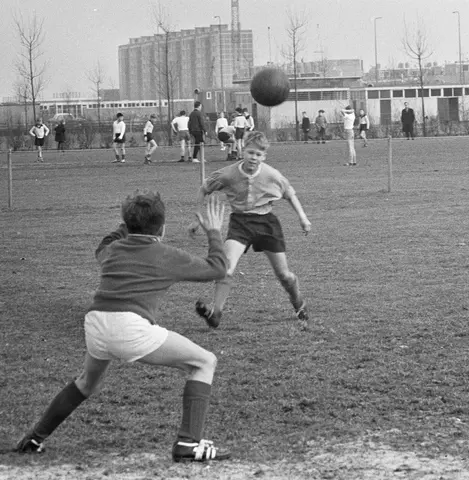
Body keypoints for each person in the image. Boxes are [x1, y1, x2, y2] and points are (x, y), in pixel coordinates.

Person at [14, 191, 231, 463]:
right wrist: (214, 231)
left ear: (126, 226)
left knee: (86, 383)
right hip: (129, 327)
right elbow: (218, 269)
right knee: (204, 362)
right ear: (162, 228)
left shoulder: (113, 251)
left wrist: (127, 222)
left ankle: (34, 437)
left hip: (96, 323)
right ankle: (188, 443)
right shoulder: (165, 254)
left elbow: (104, 245)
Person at [190, 131, 312, 328]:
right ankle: (216, 314)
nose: (253, 158)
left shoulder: (271, 174)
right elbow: (204, 189)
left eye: (258, 154)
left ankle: (299, 303)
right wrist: (197, 218)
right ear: (242, 150)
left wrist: (303, 218)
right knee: (226, 268)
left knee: (285, 276)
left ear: (264, 156)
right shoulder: (228, 174)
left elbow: (290, 194)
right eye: (250, 152)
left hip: (267, 223)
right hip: (240, 223)